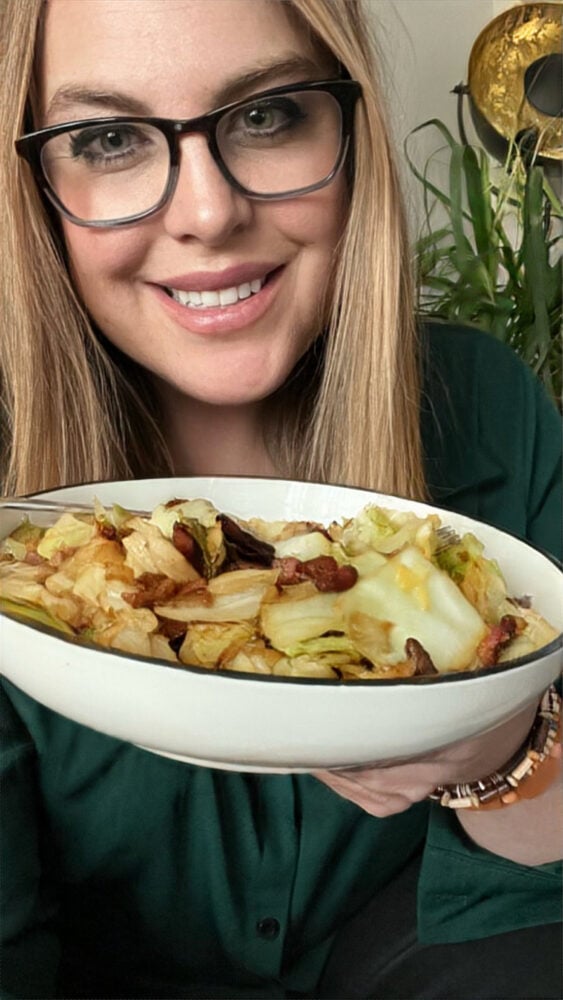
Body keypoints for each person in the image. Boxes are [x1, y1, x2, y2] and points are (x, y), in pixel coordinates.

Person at [0, 1, 561, 998]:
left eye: (264, 115)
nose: (207, 213)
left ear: (347, 132)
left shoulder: (487, 413)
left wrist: (504, 750)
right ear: (34, 184)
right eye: (110, 139)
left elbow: (525, 922)